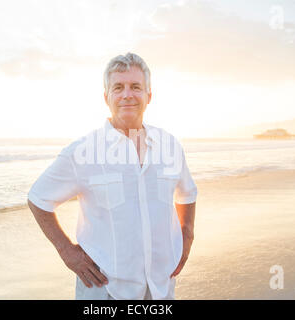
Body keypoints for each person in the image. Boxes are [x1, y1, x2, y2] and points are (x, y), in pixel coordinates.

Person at [27, 52, 197, 300]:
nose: (127, 94)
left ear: (149, 96)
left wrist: (187, 236)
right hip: (104, 290)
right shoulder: (84, 151)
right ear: (106, 97)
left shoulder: (170, 146)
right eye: (118, 87)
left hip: (160, 288)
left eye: (136, 87)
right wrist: (67, 252)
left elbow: (187, 192)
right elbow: (38, 198)